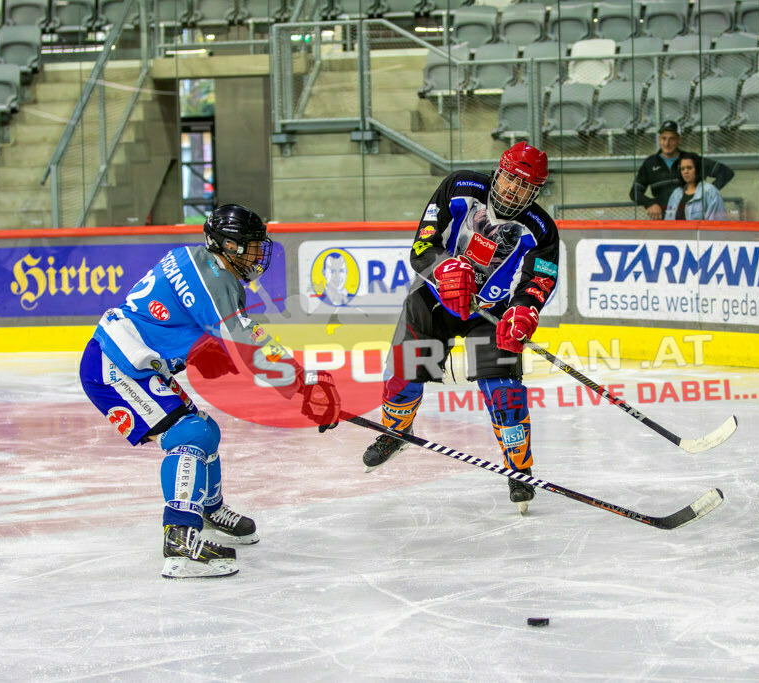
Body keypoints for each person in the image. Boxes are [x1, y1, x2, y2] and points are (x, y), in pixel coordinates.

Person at [79, 204, 340, 579]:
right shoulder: (216, 282)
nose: (257, 253)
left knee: (205, 430)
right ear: (228, 245)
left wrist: (200, 345)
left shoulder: (192, 258)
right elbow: (250, 344)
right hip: (115, 368)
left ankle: (207, 508)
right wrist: (303, 385)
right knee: (192, 434)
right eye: (250, 245)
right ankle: (181, 540)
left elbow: (182, 319)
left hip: (128, 359)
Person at [361, 141, 560, 514]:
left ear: (536, 192)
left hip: (491, 312)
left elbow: (538, 281)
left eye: (526, 187)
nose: (515, 191)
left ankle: (520, 468)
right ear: (498, 172)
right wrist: (444, 267)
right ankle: (395, 431)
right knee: (405, 371)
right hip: (435, 297)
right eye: (511, 180)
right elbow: (422, 247)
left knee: (504, 391)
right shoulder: (460, 187)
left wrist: (523, 311)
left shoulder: (541, 229)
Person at [629, 120, 735, 219]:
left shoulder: (690, 159)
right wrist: (649, 203)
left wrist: (705, 194)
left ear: (679, 140)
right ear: (659, 139)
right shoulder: (650, 163)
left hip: (692, 219)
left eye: (672, 139)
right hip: (664, 220)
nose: (667, 143)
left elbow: (725, 172)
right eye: (664, 138)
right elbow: (634, 192)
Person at [663, 155, 728, 220]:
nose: (685, 172)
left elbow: (717, 223)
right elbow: (668, 220)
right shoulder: (676, 194)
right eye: (682, 169)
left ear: (697, 169)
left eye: (689, 168)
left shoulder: (710, 191)